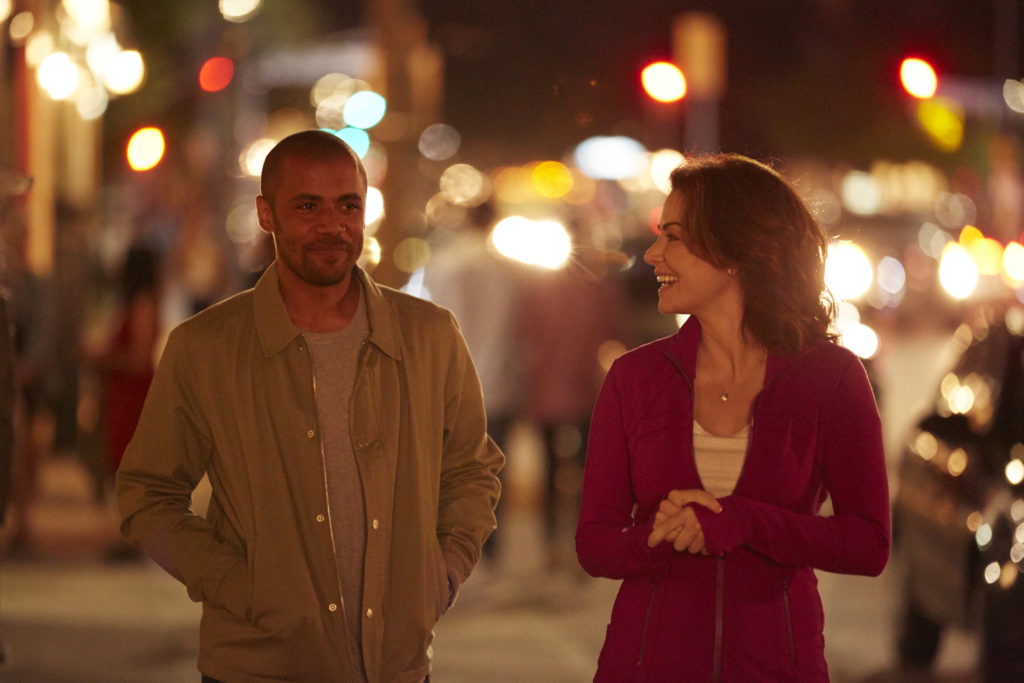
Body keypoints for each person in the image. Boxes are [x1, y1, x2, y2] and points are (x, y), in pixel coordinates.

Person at [116, 130, 503, 683]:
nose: (332, 225)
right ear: (266, 214)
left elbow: (472, 470)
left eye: (348, 206)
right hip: (257, 665)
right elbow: (147, 494)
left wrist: (443, 573)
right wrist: (237, 585)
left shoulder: (429, 335)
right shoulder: (207, 347)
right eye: (307, 206)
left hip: (395, 667)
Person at [575, 154, 890, 682]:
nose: (652, 254)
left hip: (780, 668)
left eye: (674, 236)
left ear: (736, 250)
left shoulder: (831, 378)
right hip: (644, 666)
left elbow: (869, 544)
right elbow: (594, 544)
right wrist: (654, 536)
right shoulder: (635, 377)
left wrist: (744, 522)